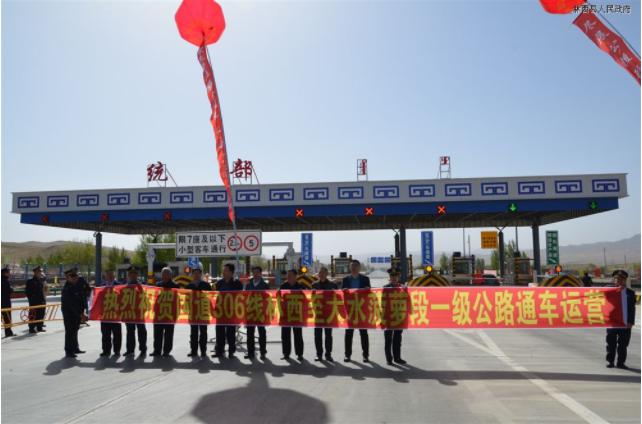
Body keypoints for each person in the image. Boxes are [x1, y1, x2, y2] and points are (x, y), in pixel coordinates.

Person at [341, 260, 370, 362]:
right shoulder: (345, 279)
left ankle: (365, 355)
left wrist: (367, 289)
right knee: (348, 334)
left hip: (362, 310)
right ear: (350, 268)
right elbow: (342, 293)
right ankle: (347, 355)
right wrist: (344, 290)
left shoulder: (365, 279)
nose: (354, 268)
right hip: (350, 310)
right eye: (352, 266)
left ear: (359, 267)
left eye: (356, 266)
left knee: (364, 334)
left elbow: (369, 294)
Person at [606, 269, 636, 369]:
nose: (619, 280)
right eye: (616, 278)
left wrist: (631, 322)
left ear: (625, 280)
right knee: (611, 343)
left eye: (621, 279)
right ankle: (610, 361)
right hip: (612, 322)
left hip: (625, 323)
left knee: (623, 344)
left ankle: (621, 363)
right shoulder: (608, 291)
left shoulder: (630, 293)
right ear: (614, 280)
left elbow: (632, 308)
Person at [213, 263, 242, 358]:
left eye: (225, 270)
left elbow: (240, 297)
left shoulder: (237, 283)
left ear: (231, 272)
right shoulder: (219, 283)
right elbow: (215, 296)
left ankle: (231, 351)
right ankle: (219, 350)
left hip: (231, 312)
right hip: (220, 311)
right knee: (219, 332)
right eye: (223, 270)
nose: (223, 272)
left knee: (231, 332)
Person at [151, 267, 179, 357]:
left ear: (170, 275)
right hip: (159, 313)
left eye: (167, 274)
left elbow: (178, 300)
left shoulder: (175, 286)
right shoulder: (157, 285)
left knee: (168, 333)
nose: (165, 275)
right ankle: (157, 350)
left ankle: (166, 350)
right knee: (157, 333)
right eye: (163, 274)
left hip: (170, 313)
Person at [312, 267, 337, 362]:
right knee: (317, 335)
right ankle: (319, 354)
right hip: (318, 313)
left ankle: (328, 354)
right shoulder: (314, 285)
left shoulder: (333, 285)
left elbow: (338, 297)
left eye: (323, 273)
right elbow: (311, 298)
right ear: (318, 274)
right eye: (320, 273)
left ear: (327, 274)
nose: (321, 274)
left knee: (328, 335)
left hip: (328, 314)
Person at [383, 268, 407, 365]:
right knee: (388, 339)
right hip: (388, 317)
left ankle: (397, 358)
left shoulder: (403, 288)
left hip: (398, 316)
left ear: (398, 277)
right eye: (392, 276)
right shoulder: (385, 288)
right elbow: (382, 303)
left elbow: (408, 301)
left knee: (397, 339)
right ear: (389, 277)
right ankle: (389, 359)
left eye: (395, 276)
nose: (394, 278)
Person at [244, 266, 269, 360]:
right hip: (250, 311)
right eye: (254, 272)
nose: (255, 274)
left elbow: (268, 299)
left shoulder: (265, 285)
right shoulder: (248, 285)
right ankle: (250, 352)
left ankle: (263, 352)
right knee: (250, 333)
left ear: (260, 273)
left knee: (261, 333)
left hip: (260, 312)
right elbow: (245, 298)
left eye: (257, 272)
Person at [61, 269, 87, 358]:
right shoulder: (67, 288)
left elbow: (81, 299)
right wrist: (80, 314)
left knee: (75, 331)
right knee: (70, 332)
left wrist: (82, 311)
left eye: (76, 277)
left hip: (76, 313)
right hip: (70, 314)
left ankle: (75, 348)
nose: (76, 279)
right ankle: (69, 351)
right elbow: (71, 304)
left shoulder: (75, 286)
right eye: (74, 278)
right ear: (69, 278)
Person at [280, 269, 305, 361]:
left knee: (298, 334)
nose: (288, 277)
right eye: (288, 275)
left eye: (290, 275)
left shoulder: (301, 286)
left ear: (295, 276)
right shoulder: (283, 286)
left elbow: (305, 299)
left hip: (297, 314)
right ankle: (286, 353)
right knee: (285, 335)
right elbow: (279, 298)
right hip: (286, 314)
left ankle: (299, 354)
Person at [187, 266, 211, 357]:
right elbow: (185, 299)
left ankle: (203, 350)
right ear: (192, 275)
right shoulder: (188, 286)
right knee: (193, 332)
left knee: (203, 332)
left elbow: (211, 297)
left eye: (198, 273)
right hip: (193, 312)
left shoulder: (206, 285)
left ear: (201, 274)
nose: (196, 275)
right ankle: (193, 350)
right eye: (194, 273)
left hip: (203, 311)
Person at [97, 270, 122, 356]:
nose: (110, 276)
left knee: (117, 334)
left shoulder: (119, 285)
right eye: (108, 275)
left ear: (114, 276)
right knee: (105, 334)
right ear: (106, 277)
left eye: (111, 275)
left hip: (116, 314)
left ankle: (117, 350)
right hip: (105, 314)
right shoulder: (102, 286)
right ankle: (106, 350)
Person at [123, 266, 147, 356]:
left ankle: (143, 349)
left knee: (141, 331)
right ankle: (130, 350)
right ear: (128, 275)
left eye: (135, 273)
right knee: (130, 331)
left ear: (137, 275)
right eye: (131, 273)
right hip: (129, 312)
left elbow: (146, 299)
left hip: (139, 312)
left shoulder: (142, 286)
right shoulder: (124, 287)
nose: (133, 275)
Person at [25, 266, 47, 333]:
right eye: (40, 271)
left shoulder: (41, 281)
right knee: (33, 315)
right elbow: (28, 292)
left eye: (41, 271)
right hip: (34, 302)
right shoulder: (30, 281)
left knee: (41, 314)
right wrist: (32, 299)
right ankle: (31, 328)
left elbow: (44, 290)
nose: (41, 273)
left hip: (41, 301)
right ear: (36, 272)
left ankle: (39, 327)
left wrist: (44, 299)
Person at [2, 266, 15, 337]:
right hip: (5, 303)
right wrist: (11, 289)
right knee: (7, 318)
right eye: (9, 272)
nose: (10, 273)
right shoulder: (5, 281)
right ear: (5, 273)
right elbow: (8, 290)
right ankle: (8, 332)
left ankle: (8, 332)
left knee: (6, 318)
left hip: (4, 302)